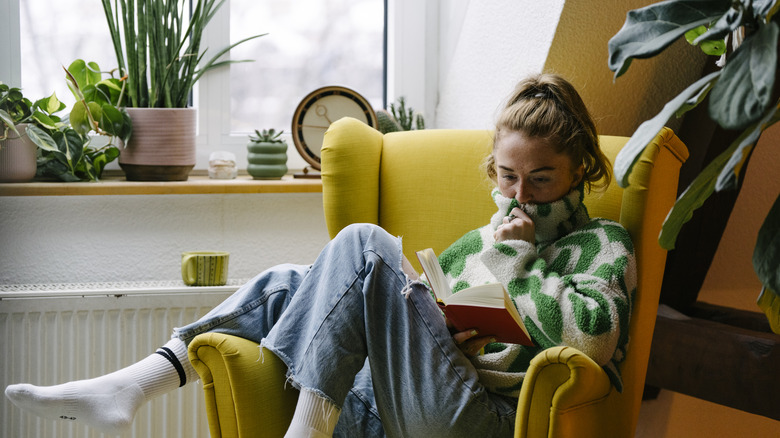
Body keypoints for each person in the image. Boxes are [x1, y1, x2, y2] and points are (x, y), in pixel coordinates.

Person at [5, 73, 635, 438]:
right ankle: (135, 383)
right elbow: (419, 317)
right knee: (288, 280)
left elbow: (591, 345)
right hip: (397, 406)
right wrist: (447, 328)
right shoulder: (481, 239)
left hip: (480, 423)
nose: (519, 196)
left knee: (365, 243)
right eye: (506, 177)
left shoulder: (603, 246)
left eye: (541, 179)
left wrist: (517, 263)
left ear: (581, 168)